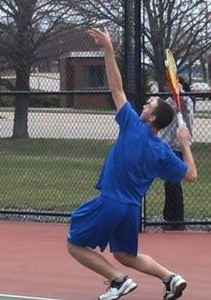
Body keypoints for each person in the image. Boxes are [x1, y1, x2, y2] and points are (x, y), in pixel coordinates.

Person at [66, 27, 197, 300]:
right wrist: (184, 142)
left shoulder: (132, 126)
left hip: (111, 202)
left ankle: (118, 280)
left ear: (151, 118)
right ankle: (171, 278)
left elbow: (116, 87)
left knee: (75, 245)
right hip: (131, 210)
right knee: (125, 254)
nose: (144, 105)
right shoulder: (163, 152)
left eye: (149, 104)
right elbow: (191, 175)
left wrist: (108, 49)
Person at [157, 81, 195, 231]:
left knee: (173, 182)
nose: (167, 87)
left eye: (170, 85)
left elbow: (185, 106)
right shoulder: (167, 103)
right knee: (169, 183)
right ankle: (169, 217)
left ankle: (177, 219)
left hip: (178, 148)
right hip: (166, 146)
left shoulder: (186, 102)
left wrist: (180, 93)